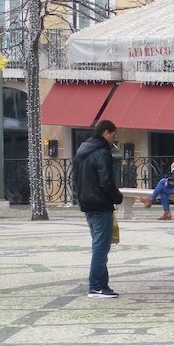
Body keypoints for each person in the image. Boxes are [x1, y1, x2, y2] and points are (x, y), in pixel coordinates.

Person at [74, 119, 124, 299]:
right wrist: (117, 197)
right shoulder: (102, 152)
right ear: (106, 133)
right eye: (113, 134)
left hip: (87, 203)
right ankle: (96, 286)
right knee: (101, 248)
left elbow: (76, 178)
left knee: (99, 245)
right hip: (100, 204)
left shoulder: (82, 150)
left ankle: (102, 285)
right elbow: (106, 181)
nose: (114, 138)